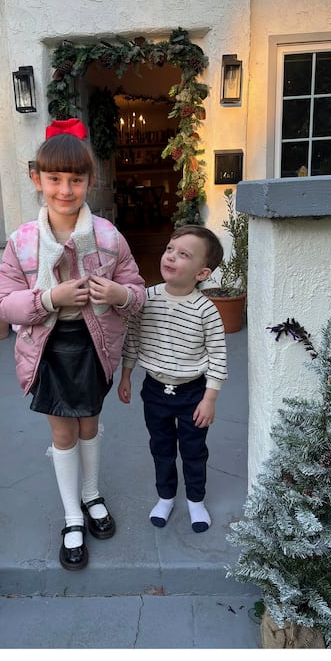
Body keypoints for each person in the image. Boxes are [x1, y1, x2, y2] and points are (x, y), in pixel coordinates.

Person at [0, 118, 145, 570]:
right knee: (62, 431)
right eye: (54, 178)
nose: (65, 189)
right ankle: (72, 515)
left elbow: (134, 290)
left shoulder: (108, 237)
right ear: (36, 179)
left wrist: (118, 294)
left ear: (89, 182)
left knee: (90, 425)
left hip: (95, 346)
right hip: (48, 349)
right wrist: (48, 297)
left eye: (75, 179)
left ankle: (93, 493)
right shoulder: (21, 242)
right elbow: (3, 303)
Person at [118, 225, 228, 533]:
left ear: (201, 273)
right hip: (154, 390)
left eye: (184, 254)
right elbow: (133, 338)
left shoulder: (206, 310)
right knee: (161, 446)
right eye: (170, 249)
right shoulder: (146, 299)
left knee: (194, 450)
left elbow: (218, 355)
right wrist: (126, 374)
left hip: (193, 393)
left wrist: (210, 398)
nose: (171, 257)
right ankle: (165, 496)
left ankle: (196, 500)